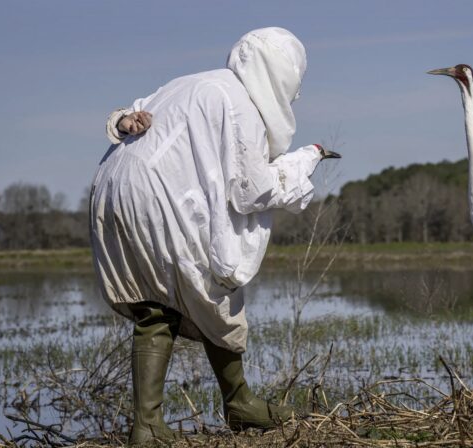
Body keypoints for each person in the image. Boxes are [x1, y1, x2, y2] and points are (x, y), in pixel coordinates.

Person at [90, 27, 339, 444]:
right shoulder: (240, 103)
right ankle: (237, 403)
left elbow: (127, 116)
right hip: (160, 198)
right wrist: (301, 165)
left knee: (156, 306)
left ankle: (149, 423)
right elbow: (252, 190)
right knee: (215, 281)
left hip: (112, 190)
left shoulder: (192, 83)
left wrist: (120, 119)